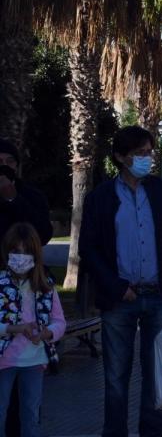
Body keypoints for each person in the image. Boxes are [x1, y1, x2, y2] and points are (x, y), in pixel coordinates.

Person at [78, 125, 162, 437]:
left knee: (156, 374)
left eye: (149, 152)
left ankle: (152, 432)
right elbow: (89, 248)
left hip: (160, 297)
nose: (147, 158)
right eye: (140, 153)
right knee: (116, 376)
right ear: (120, 156)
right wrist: (115, 287)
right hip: (120, 299)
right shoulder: (101, 197)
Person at [0, 139, 52, 437]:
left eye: (9, 161)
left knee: (28, 406)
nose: (4, 166)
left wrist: (11, 198)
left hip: (28, 283)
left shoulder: (30, 196)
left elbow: (42, 233)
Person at [0, 223, 64, 437]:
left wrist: (47, 333)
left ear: (35, 254)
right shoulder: (1, 284)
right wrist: (14, 328)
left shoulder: (46, 287)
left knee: (31, 416)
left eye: (26, 252)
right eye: (15, 251)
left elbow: (59, 322)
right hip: (3, 360)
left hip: (34, 361)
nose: (20, 257)